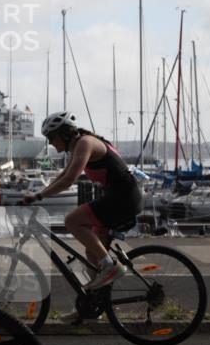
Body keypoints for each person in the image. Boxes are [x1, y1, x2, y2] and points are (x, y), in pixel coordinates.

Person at [23, 111, 143, 291]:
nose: (50, 143)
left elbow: (69, 180)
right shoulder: (79, 145)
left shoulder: (85, 143)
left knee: (72, 221)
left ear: (64, 134)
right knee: (92, 252)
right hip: (121, 196)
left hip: (123, 198)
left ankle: (110, 266)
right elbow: (63, 175)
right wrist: (39, 193)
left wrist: (39, 196)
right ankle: (93, 301)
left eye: (51, 137)